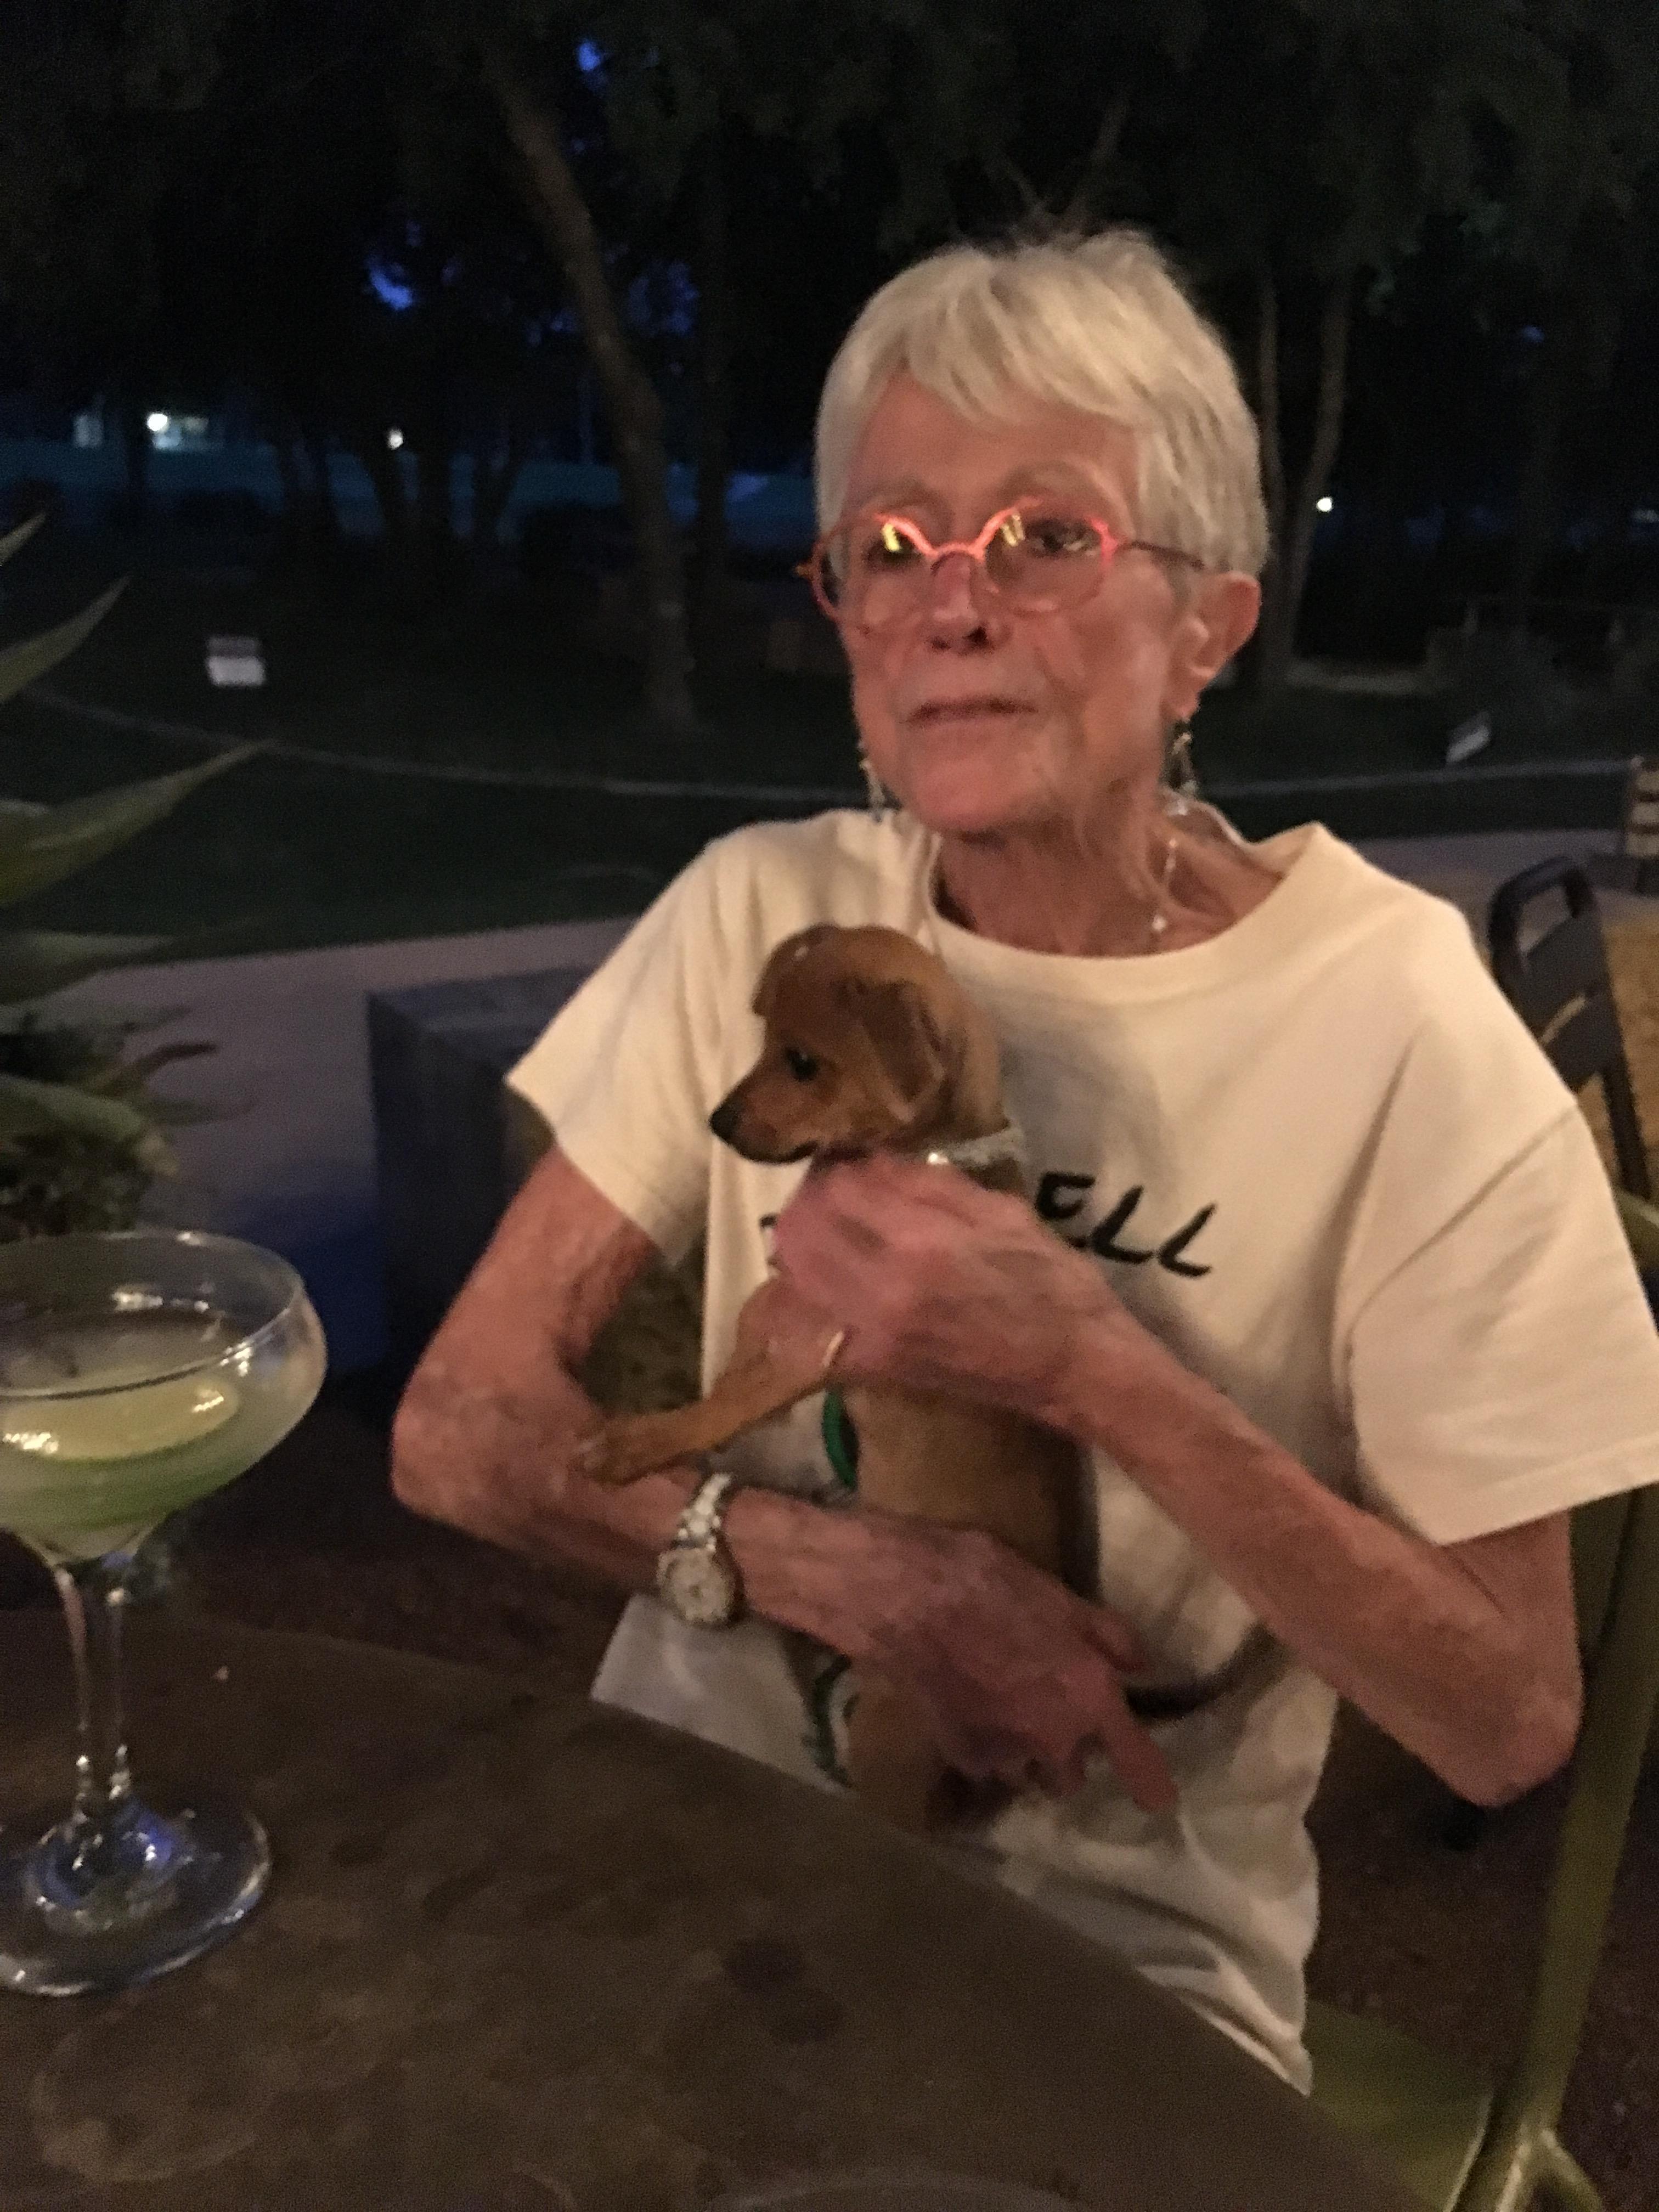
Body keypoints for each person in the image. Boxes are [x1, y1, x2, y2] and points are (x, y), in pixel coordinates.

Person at [390, 227, 1659, 2090]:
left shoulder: (1399, 1026)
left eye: (1046, 540)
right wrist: (834, 1574)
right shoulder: (774, 914)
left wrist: (1086, 1365)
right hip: (681, 1831)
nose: (948, 605)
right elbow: (456, 1430)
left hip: (1106, 1954)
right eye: (890, 549)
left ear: (1209, 625)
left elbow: (1505, 1717)